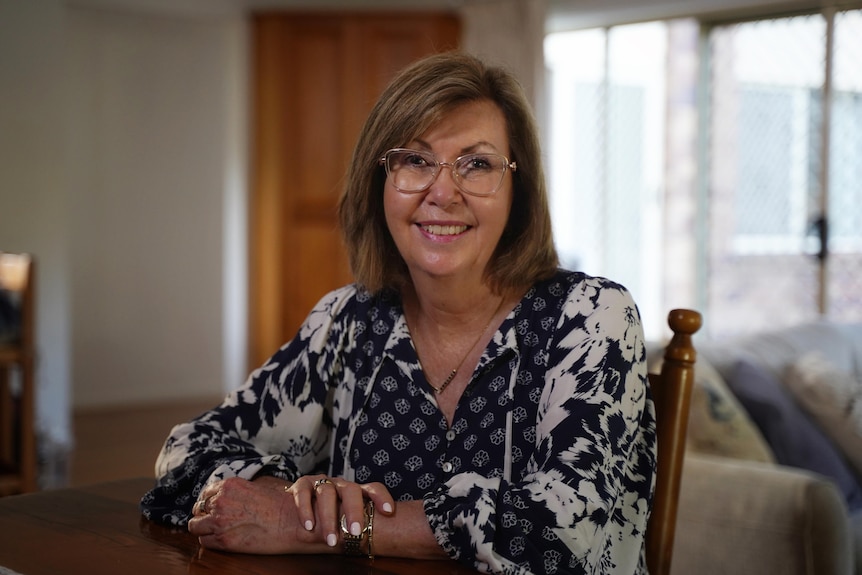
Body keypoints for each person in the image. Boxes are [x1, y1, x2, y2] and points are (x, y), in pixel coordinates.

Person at [140, 51, 655, 575]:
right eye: (415, 160)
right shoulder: (347, 320)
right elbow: (187, 451)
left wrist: (309, 527)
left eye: (477, 164)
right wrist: (281, 494)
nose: (442, 192)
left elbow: (563, 532)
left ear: (518, 191)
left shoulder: (593, 318)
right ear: (379, 182)